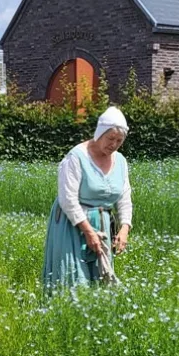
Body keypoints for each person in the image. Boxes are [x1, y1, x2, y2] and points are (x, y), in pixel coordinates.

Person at [42, 106, 133, 290]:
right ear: (100, 133)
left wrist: (124, 229)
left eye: (119, 140)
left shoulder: (121, 162)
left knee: (100, 279)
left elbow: (124, 198)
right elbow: (68, 199)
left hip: (102, 223)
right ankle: (64, 307)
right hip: (72, 223)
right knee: (72, 278)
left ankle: (96, 308)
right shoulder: (76, 157)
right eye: (110, 138)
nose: (114, 144)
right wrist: (89, 232)